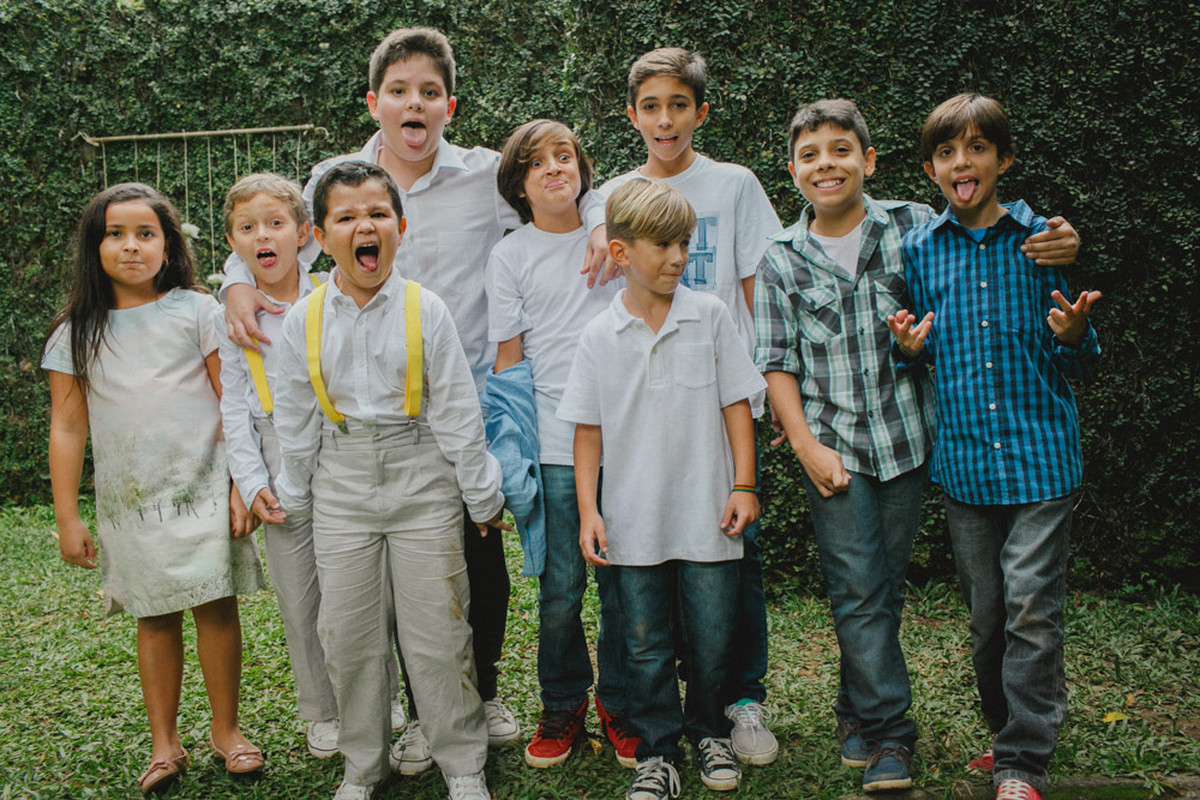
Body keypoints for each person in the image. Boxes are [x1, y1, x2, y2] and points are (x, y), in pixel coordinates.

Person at [218, 28, 608, 758]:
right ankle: (423, 712)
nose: (414, 104)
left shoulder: (485, 176)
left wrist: (600, 220)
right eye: (398, 91)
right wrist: (237, 282)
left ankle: (481, 691)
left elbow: (565, 199)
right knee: (400, 572)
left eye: (429, 92)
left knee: (478, 558)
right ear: (375, 102)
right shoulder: (340, 179)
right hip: (377, 411)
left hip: (471, 402)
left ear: (449, 105)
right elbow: (274, 238)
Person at [755, 98, 1082, 793]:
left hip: (906, 439)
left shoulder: (912, 227)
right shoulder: (781, 257)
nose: (827, 165)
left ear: (869, 161)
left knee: (881, 591)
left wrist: (1063, 241)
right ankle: (890, 735)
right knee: (858, 591)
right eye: (810, 155)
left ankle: (859, 704)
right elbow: (776, 361)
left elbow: (987, 234)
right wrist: (804, 444)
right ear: (791, 171)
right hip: (834, 448)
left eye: (841, 150)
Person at [889, 93, 1101, 800]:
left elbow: (1076, 355)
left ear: (1003, 159)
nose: (962, 162)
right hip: (968, 467)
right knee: (988, 620)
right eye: (947, 151)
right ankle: (1006, 727)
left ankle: (1022, 760)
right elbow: (922, 351)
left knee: (1031, 610)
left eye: (977, 147)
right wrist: (910, 350)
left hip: (1042, 461)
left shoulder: (1041, 241)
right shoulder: (921, 251)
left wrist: (1077, 336)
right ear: (930, 169)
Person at [270, 160, 504, 800]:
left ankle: (462, 763)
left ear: (400, 227)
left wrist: (480, 494)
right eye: (346, 217)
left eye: (377, 214)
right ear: (321, 237)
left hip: (421, 474)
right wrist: (294, 495)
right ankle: (363, 765)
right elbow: (295, 419)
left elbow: (457, 411)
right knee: (348, 634)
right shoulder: (303, 319)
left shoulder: (427, 310)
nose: (364, 227)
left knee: (439, 630)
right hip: (341, 482)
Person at [44, 183, 265, 795]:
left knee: (216, 606)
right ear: (94, 248)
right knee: (155, 615)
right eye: (114, 234)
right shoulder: (75, 331)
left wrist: (240, 485)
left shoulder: (197, 311)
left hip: (205, 487)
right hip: (133, 503)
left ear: (168, 246)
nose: (131, 246)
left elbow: (233, 400)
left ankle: (226, 730)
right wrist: (67, 516)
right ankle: (165, 743)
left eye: (146, 234)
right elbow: (67, 426)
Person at [598, 47, 783, 765]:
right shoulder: (611, 194)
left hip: (721, 398)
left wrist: (767, 388)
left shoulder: (734, 185)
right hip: (646, 413)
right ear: (632, 116)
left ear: (700, 112)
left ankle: (739, 701)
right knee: (641, 559)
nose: (665, 119)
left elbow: (758, 289)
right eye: (651, 106)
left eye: (679, 105)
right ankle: (641, 711)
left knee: (735, 558)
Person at [558, 179, 766, 800]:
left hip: (709, 516)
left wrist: (744, 484)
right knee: (643, 645)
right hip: (633, 522)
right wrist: (589, 510)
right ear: (621, 253)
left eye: (684, 243)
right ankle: (658, 752)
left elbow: (737, 406)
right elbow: (587, 432)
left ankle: (710, 732)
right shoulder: (599, 334)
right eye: (663, 245)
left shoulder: (711, 315)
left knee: (711, 638)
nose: (678, 257)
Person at [484, 119, 631, 769]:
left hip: (624, 441)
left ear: (581, 169)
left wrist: (600, 222)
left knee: (624, 587)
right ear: (518, 185)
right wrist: (509, 457)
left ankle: (622, 703)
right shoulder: (510, 255)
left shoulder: (617, 236)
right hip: (551, 447)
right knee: (561, 590)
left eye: (564, 156)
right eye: (536, 162)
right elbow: (507, 362)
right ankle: (563, 703)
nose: (553, 168)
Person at [213, 173, 341, 759]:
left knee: (357, 589)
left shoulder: (332, 293)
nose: (262, 236)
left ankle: (377, 695)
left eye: (275, 223)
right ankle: (321, 711)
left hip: (338, 451)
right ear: (233, 242)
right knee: (299, 596)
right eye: (247, 228)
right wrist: (249, 481)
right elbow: (233, 405)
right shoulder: (232, 315)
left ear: (303, 233)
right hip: (272, 453)